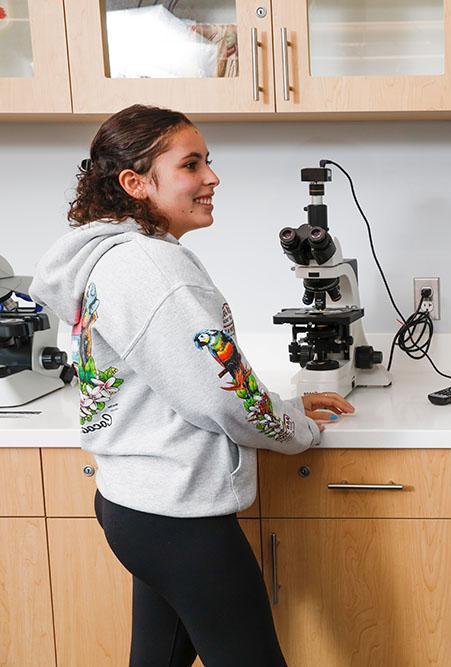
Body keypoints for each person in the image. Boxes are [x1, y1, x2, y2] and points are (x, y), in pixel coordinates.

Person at [30, 104, 354, 666]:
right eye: (191, 165)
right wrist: (298, 429)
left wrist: (285, 400)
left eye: (208, 162)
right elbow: (226, 401)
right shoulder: (156, 271)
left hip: (133, 504)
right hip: (180, 521)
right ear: (136, 183)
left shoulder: (108, 259)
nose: (212, 177)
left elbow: (177, 381)